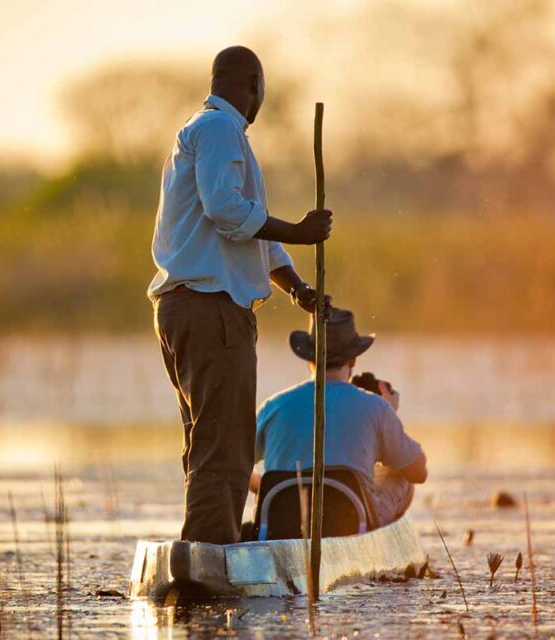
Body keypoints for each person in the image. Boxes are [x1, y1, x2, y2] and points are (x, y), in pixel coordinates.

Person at [149, 46, 333, 545]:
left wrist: (296, 286)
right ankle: (211, 556)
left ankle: (208, 550)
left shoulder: (212, 132)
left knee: (209, 439)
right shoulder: (218, 129)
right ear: (253, 84)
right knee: (225, 445)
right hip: (210, 309)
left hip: (192, 307)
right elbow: (226, 211)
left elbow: (254, 233)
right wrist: (300, 231)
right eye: (262, 89)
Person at [253, 308, 428, 527]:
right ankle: (376, 543)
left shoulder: (273, 406)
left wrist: (265, 488)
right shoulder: (376, 407)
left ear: (308, 358)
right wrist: (389, 413)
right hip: (351, 524)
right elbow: (418, 472)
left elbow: (235, 469)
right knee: (400, 476)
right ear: (353, 360)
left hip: (282, 524)